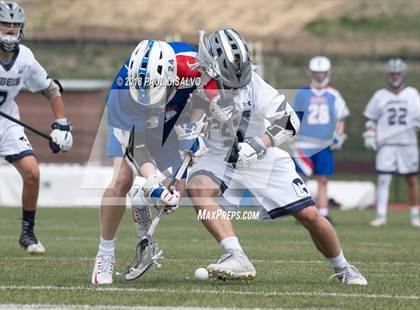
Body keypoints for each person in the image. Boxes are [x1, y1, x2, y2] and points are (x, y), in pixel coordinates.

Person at [186, 28, 367, 285]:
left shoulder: (254, 84)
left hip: (260, 156)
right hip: (218, 154)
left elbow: (290, 120)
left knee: (310, 216)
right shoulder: (193, 80)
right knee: (196, 188)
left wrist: (259, 144)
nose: (237, 74)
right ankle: (235, 254)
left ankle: (344, 268)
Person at [91, 39, 208, 285]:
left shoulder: (194, 64)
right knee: (122, 180)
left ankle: (141, 198)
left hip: (174, 117)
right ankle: (105, 254)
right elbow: (138, 149)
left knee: (175, 190)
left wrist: (193, 129)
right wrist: (153, 182)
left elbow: (206, 94)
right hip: (138, 124)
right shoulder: (121, 95)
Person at [0, 1, 73, 255]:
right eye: (5, 25)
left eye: (15, 26)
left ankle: (27, 232)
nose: (10, 31)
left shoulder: (25, 57)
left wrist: (62, 125)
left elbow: (50, 88)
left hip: (7, 120)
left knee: (32, 172)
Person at [292, 56, 349, 224]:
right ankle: (302, 211)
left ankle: (324, 213)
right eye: (316, 73)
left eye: (322, 73)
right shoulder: (303, 93)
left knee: (323, 179)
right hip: (303, 143)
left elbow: (341, 118)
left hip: (324, 144)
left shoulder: (333, 94)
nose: (319, 76)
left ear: (327, 73)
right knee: (302, 179)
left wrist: (339, 135)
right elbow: (295, 116)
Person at [363, 58, 420, 227]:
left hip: (407, 143)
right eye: (392, 73)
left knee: (411, 179)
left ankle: (415, 215)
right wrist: (370, 135)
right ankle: (381, 215)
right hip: (386, 144)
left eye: (398, 73)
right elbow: (371, 120)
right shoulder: (380, 95)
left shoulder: (412, 94)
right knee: (383, 179)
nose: (395, 76)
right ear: (388, 75)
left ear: (403, 74)